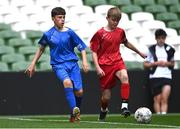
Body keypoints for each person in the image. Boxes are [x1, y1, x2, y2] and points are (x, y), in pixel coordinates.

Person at [25, 7, 89, 122]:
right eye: (60, 17)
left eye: (64, 17)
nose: (62, 19)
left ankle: (74, 113)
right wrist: (33, 64)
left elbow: (82, 48)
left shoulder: (70, 32)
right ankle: (74, 109)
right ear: (53, 18)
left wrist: (84, 61)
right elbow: (41, 49)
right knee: (67, 82)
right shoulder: (48, 34)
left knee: (79, 92)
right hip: (58, 65)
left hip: (73, 65)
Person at [90, 7, 146, 121]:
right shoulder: (100, 34)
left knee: (125, 76)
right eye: (113, 20)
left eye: (117, 20)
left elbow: (126, 43)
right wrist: (97, 67)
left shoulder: (120, 31)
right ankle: (103, 110)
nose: (115, 22)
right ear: (107, 18)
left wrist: (139, 52)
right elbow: (94, 51)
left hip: (117, 61)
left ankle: (124, 107)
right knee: (106, 98)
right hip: (105, 66)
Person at [144, 29, 175, 115]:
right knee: (157, 98)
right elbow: (145, 64)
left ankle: (164, 114)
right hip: (155, 76)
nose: (161, 40)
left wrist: (166, 63)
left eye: (163, 38)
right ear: (156, 38)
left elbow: (172, 64)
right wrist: (155, 63)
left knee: (164, 98)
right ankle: (158, 115)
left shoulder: (170, 49)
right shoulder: (151, 49)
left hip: (167, 76)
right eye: (159, 38)